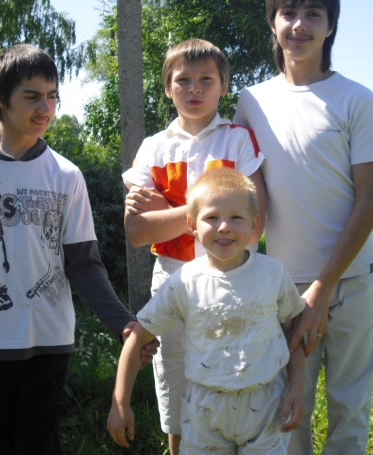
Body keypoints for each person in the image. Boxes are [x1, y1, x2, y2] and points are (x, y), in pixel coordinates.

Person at [0, 44, 154, 454]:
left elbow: (84, 265)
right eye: (32, 97)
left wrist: (123, 324)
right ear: (0, 97)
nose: (45, 108)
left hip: (50, 344)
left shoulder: (65, 174)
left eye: (52, 96)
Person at [234, 0, 373, 453]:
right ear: (273, 22)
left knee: (350, 408)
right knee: (290, 407)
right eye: (289, 14)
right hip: (285, 285)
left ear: (330, 27)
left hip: (354, 279)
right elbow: (241, 189)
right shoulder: (251, 101)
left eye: (313, 15)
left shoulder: (356, 98)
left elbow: (369, 200)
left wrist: (323, 287)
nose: (299, 25)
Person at [122, 38, 266, 455]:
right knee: (175, 381)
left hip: (235, 281)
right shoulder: (153, 147)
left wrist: (170, 214)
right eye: (182, 80)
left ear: (224, 85)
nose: (194, 89)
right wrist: (220, 209)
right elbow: (137, 233)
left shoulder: (239, 141)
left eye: (206, 79)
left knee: (236, 377)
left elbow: (254, 226)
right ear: (168, 87)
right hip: (173, 280)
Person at [108, 167, 305, 453]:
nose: (224, 226)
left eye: (236, 217)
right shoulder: (183, 282)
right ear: (192, 224)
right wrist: (120, 403)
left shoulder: (273, 274)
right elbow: (138, 337)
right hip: (204, 412)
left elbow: (294, 333)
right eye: (212, 217)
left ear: (254, 223)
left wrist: (297, 389)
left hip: (266, 408)